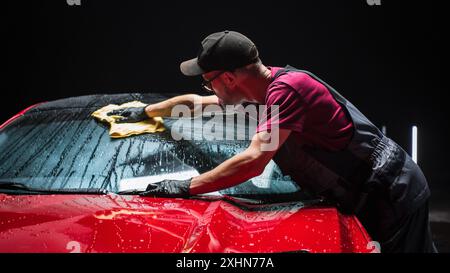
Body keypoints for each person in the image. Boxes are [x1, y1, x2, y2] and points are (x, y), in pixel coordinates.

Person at [107, 30, 437, 253]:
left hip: (394, 192)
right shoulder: (257, 93)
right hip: (368, 194)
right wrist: (145, 111)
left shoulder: (287, 91)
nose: (210, 90)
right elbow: (194, 103)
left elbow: (254, 161)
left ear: (228, 79)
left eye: (210, 82)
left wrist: (183, 186)